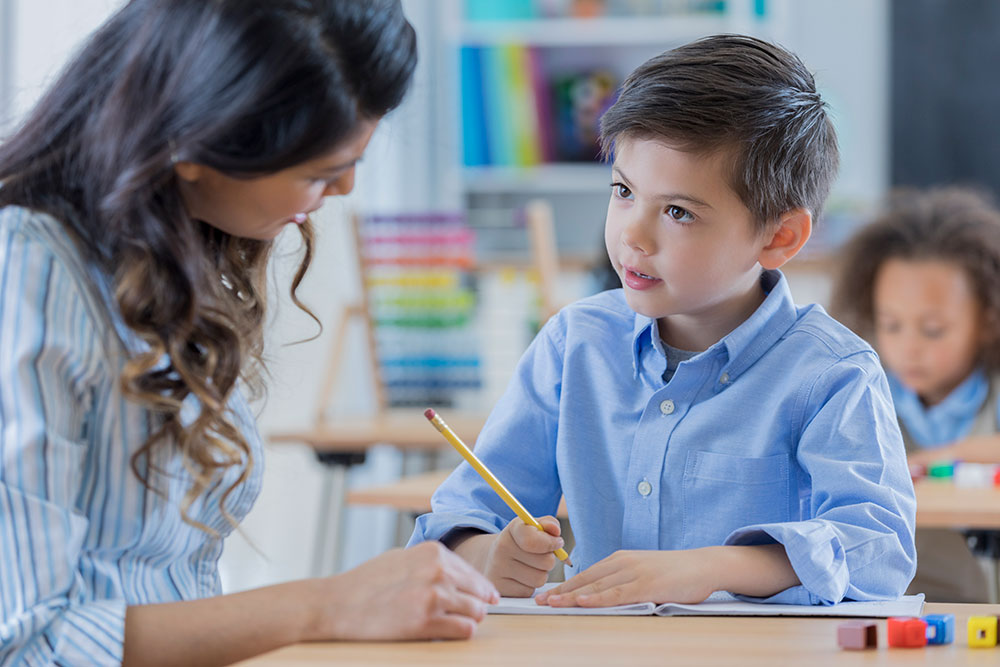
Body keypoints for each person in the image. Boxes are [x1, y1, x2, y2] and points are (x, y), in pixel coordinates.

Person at [0, 1, 499, 664]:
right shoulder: (27, 270)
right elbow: (26, 639)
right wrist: (327, 605)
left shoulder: (165, 263)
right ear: (191, 143)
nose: (346, 187)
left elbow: (171, 585)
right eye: (319, 172)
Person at [409, 34, 916, 608]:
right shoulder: (574, 345)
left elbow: (878, 549)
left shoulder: (833, 374)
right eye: (624, 191)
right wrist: (490, 556)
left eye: (678, 212)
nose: (632, 235)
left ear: (780, 236)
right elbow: (459, 520)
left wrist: (715, 568)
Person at [830, 186, 1000, 602]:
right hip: (903, 608)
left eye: (933, 330)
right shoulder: (862, 390)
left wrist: (939, 459)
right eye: (891, 325)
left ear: (988, 319)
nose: (908, 348)